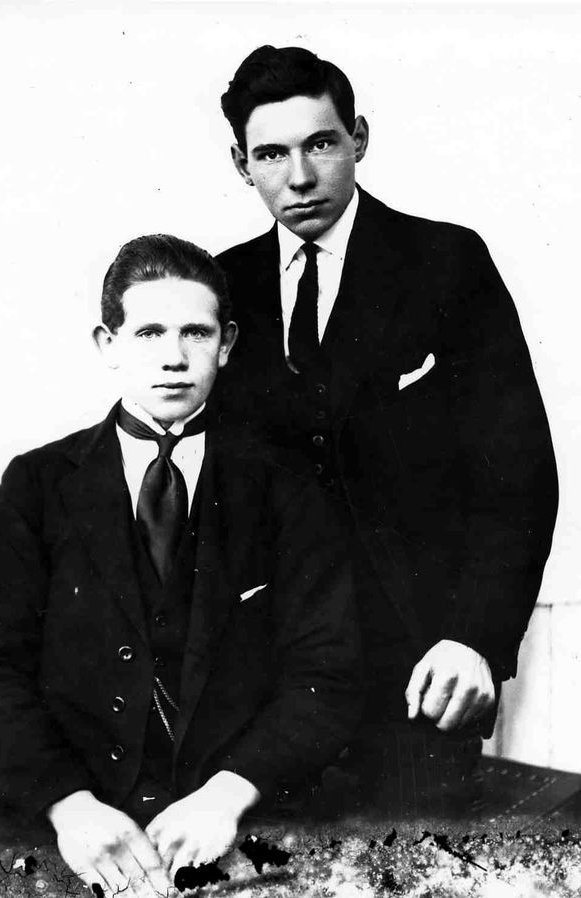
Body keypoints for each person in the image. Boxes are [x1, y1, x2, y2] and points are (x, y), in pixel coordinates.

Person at [0, 234, 364, 895]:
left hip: (234, 826)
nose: (173, 357)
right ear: (107, 344)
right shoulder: (38, 485)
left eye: (195, 332)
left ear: (226, 343)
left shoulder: (285, 487)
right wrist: (69, 806)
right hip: (63, 828)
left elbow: (328, 673)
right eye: (148, 333)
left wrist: (228, 794)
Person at [216, 45, 558, 817]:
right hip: (263, 688)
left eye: (321, 143)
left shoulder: (445, 261)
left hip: (420, 678)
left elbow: (519, 475)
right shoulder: (222, 286)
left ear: (360, 138)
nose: (300, 176)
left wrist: (476, 638)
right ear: (242, 164)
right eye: (271, 154)